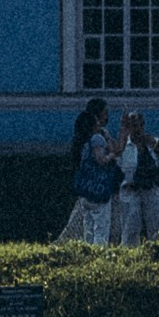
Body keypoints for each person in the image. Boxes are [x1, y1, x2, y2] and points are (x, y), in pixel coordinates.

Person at [62, 97, 118, 246]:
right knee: (101, 224)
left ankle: (86, 249)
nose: (108, 116)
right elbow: (102, 158)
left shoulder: (81, 140)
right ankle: (99, 252)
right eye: (105, 112)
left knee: (87, 223)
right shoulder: (98, 137)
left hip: (85, 187)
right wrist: (112, 155)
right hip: (99, 185)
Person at [116, 110, 159, 244]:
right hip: (130, 190)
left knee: (157, 227)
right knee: (130, 226)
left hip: (150, 188)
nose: (137, 129)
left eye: (139, 125)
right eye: (133, 126)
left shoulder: (151, 143)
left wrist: (158, 146)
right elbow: (116, 163)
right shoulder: (124, 146)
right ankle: (130, 256)